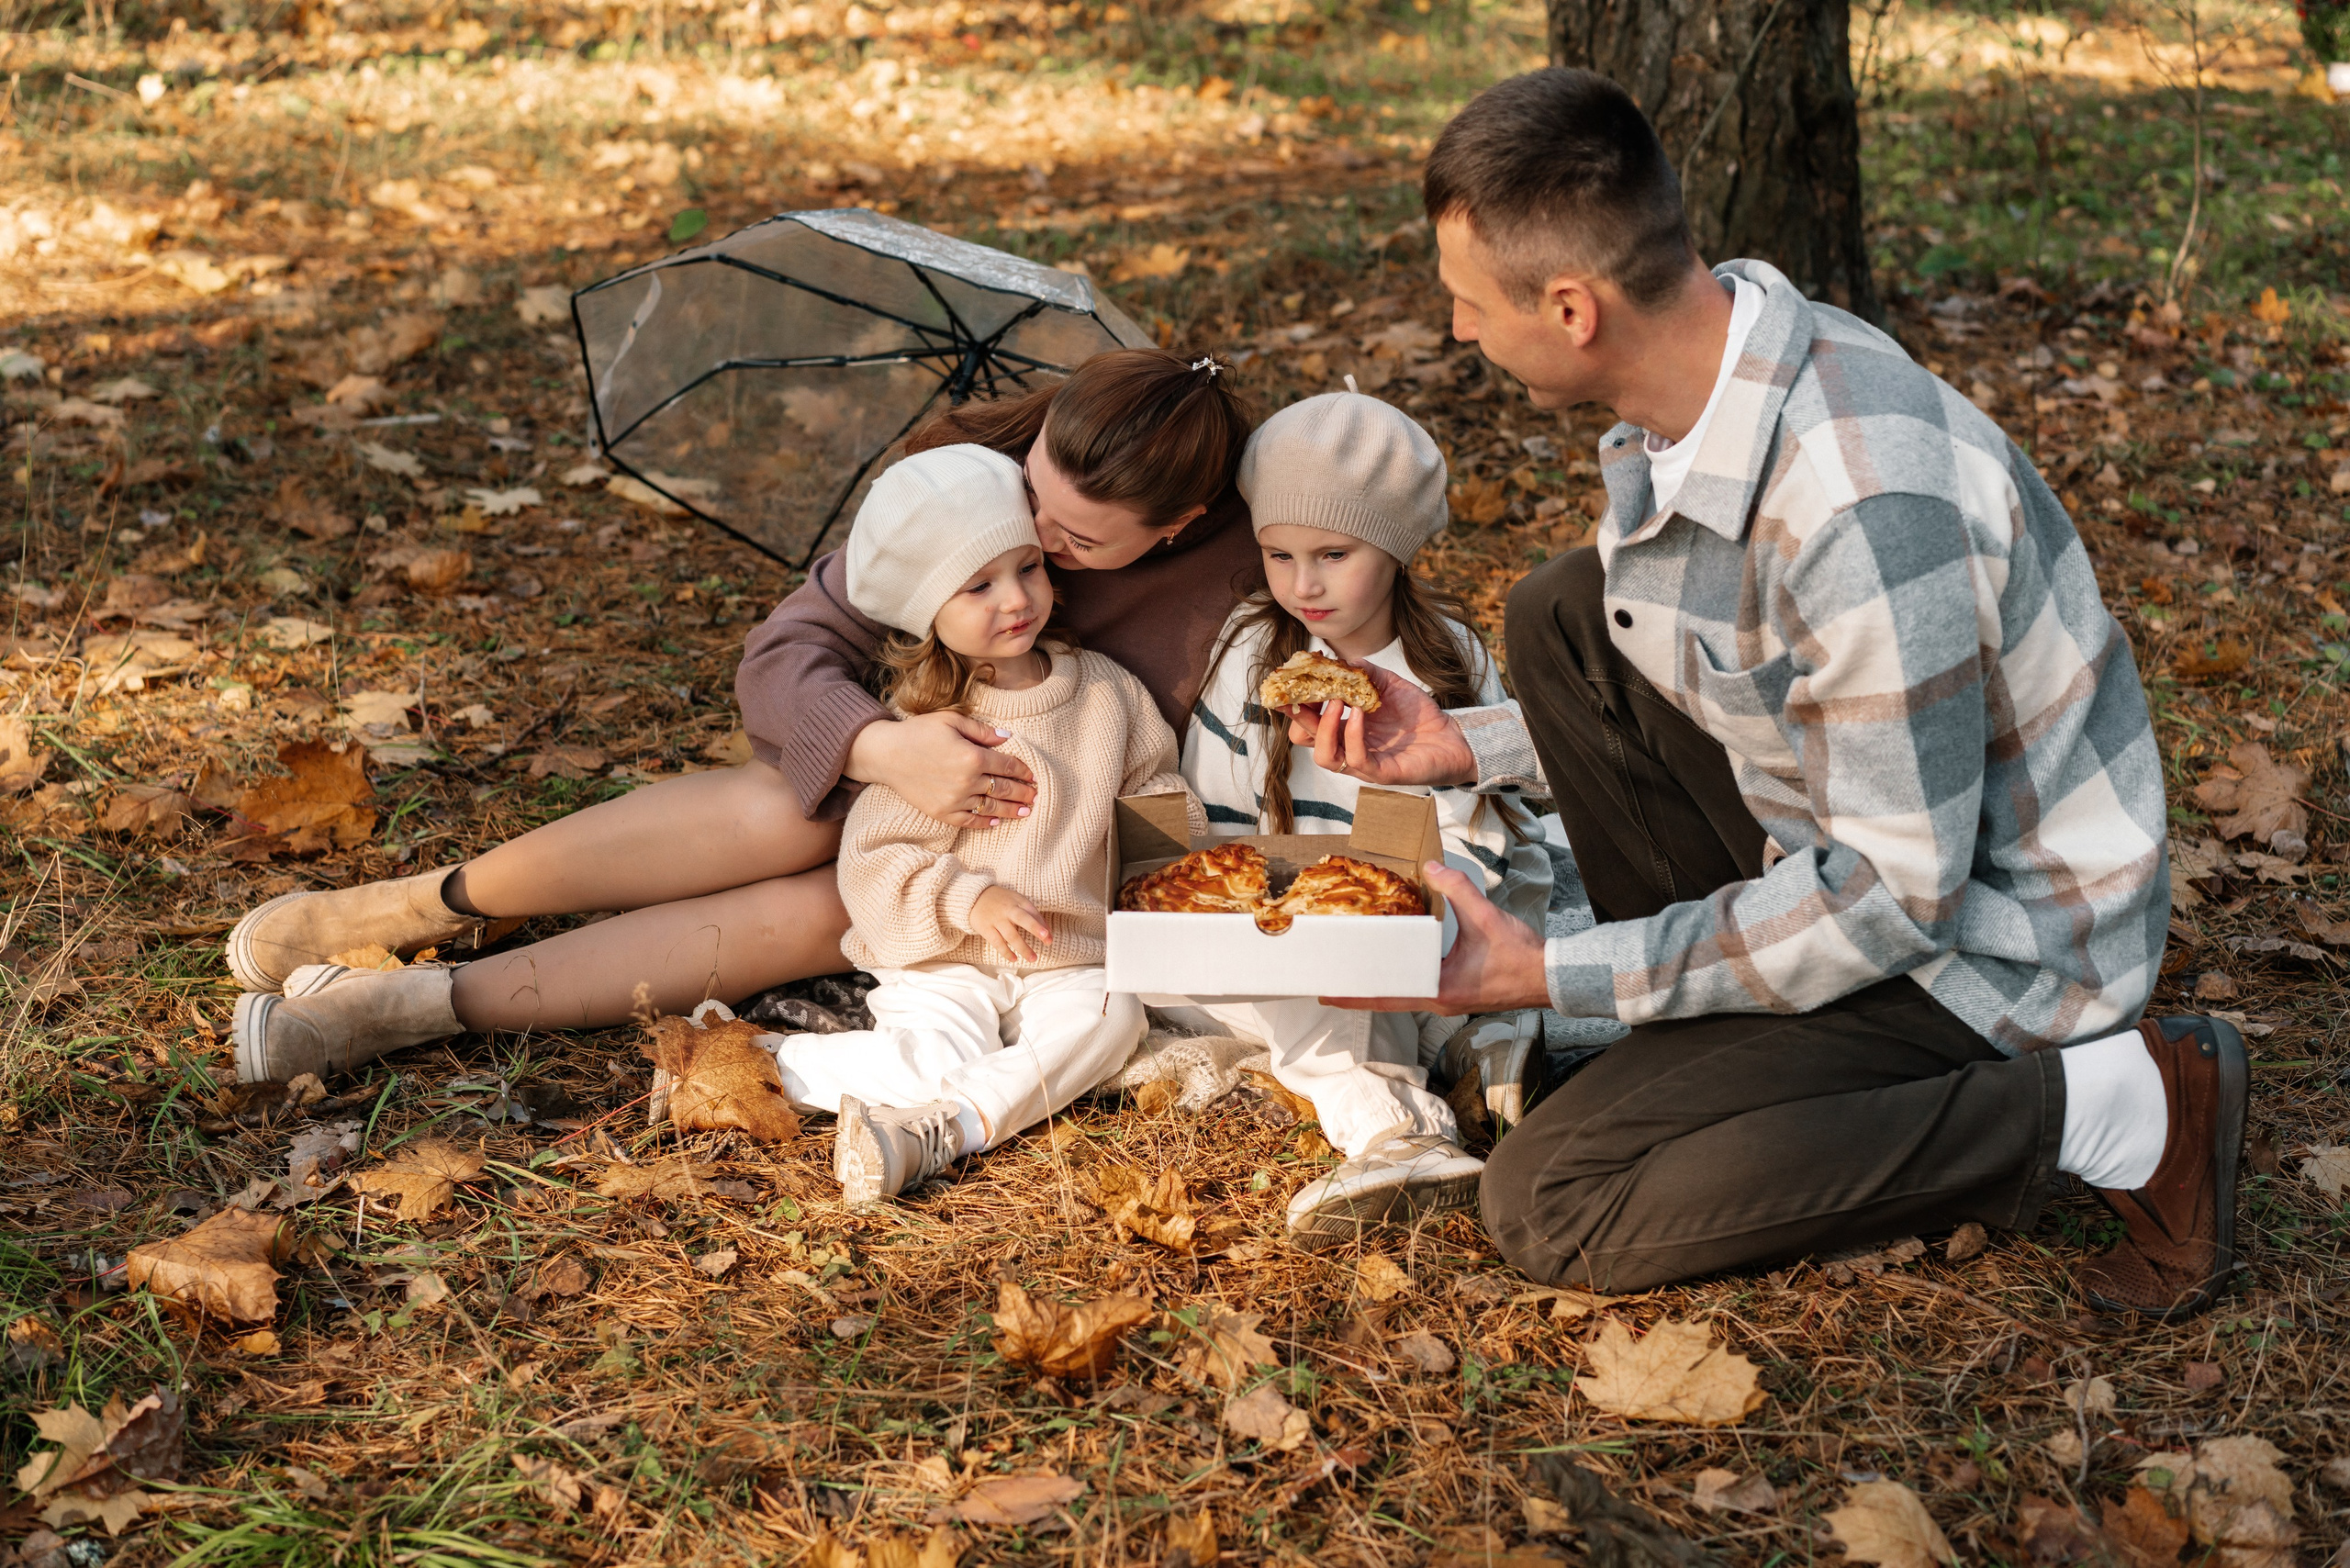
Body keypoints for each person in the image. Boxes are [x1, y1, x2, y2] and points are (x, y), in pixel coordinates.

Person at [1301, 68, 2239, 1320]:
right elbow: (1766, 689)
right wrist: (1465, 746)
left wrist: (1555, 971)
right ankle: (1728, 1051)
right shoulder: (1728, 366)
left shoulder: (1859, 507)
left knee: (1553, 1198)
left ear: (1572, 309)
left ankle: (2108, 1104)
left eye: (1467, 301)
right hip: (1848, 844)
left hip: (1992, 948)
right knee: (1567, 614)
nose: (1460, 329)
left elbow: (1897, 898)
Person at [224, 348, 1256, 1082]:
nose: (1033, 537)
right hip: (891, 773)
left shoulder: (1236, 573)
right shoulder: (975, 479)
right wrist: (881, 746)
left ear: (1177, 528)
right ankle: (433, 902)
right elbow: (787, 653)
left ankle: (425, 1006)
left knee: (824, 911)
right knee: (788, 815)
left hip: (1026, 847)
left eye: (1072, 543)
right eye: (1033, 493)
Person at [750, 444, 1202, 1202]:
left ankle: (944, 1127)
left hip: (1067, 953)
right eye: (978, 585)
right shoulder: (930, 722)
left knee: (1112, 1020)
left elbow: (1153, 789)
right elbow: (875, 861)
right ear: (928, 610)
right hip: (947, 958)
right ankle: (761, 1063)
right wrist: (969, 898)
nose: (1016, 599)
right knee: (933, 1057)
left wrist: (1172, 853)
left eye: (1028, 568)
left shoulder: (1108, 695)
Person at [1165, 389, 1553, 1247]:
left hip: (1429, 920)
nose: (1303, 584)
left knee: (1352, 972)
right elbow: (1218, 824)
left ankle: (1397, 1130)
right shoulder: (1251, 652)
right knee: (1296, 976)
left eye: (1333, 554)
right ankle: (1471, 1055)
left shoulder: (1447, 654)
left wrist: (1400, 910)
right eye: (1279, 555)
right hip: (1286, 922)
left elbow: (1483, 829)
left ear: (1396, 547)